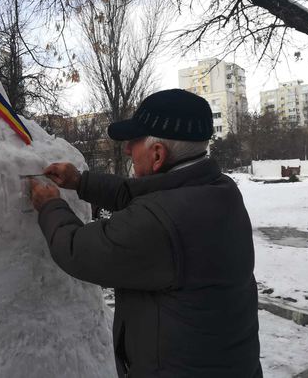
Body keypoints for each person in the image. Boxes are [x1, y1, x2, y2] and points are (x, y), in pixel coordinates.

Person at [29, 89, 262, 378]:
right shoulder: (219, 189)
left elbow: (78, 250)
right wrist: (81, 182)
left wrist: (50, 205)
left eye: (134, 142)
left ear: (157, 154)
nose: (127, 149)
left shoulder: (159, 223)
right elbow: (144, 194)